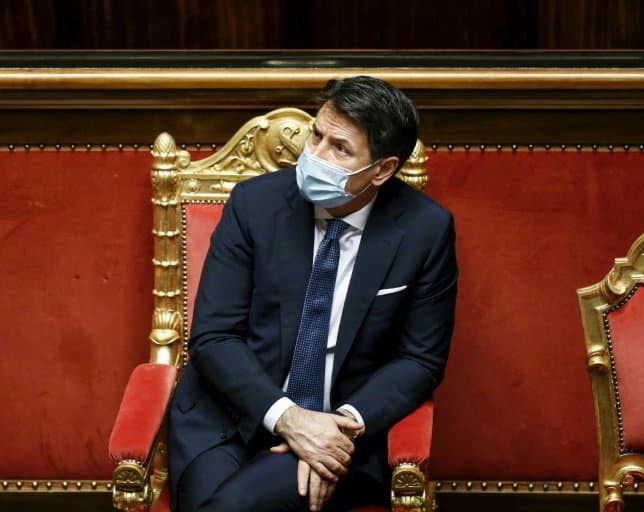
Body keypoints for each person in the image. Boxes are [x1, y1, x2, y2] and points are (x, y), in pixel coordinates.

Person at [168, 75, 457, 511]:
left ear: (382, 169)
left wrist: (338, 430)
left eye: (339, 148)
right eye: (316, 135)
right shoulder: (254, 205)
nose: (315, 155)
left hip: (338, 429)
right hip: (229, 417)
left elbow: (420, 360)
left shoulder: (424, 230)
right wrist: (289, 418)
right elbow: (213, 338)